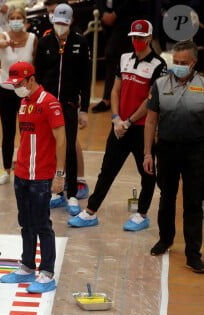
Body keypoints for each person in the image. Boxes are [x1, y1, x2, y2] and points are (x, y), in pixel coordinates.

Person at [68, 19, 166, 231]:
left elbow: (150, 99)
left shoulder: (159, 65)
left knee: (147, 173)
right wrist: (115, 119)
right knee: (107, 170)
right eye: (134, 37)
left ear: (149, 38)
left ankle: (142, 215)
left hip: (142, 128)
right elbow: (114, 91)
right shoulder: (124, 59)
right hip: (120, 126)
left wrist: (129, 121)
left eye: (141, 37)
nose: (137, 41)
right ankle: (91, 212)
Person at [0, 61, 66, 294]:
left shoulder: (49, 103)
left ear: (30, 79)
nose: (16, 88)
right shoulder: (23, 103)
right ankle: (27, 265)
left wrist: (60, 174)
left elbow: (62, 138)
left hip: (42, 175)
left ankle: (46, 273)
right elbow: (26, 134)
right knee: (25, 222)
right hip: (22, 173)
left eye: (19, 83)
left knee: (42, 224)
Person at [144, 40, 204, 273]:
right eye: (175, 62)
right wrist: (147, 153)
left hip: (196, 151)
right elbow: (151, 120)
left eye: (183, 63)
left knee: (193, 202)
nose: (178, 66)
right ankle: (165, 239)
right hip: (167, 149)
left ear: (194, 63)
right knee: (166, 197)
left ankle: (193, 254)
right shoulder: (159, 84)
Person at [35, 3, 90, 215]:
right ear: (53, 20)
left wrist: (84, 108)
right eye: (57, 22)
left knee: (68, 147)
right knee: (49, 147)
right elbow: (38, 75)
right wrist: (36, 102)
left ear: (71, 22)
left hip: (68, 103)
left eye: (64, 24)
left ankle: (73, 193)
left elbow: (86, 78)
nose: (60, 27)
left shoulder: (80, 42)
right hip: (47, 103)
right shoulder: (45, 42)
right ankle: (55, 191)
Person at [0, 0, 37, 185]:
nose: (16, 21)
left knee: (27, 131)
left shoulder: (33, 39)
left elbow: (35, 62)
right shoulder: (2, 36)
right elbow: (0, 43)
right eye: (12, 18)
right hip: (6, 90)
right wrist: (8, 42)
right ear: (8, 20)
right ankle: (6, 170)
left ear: (25, 20)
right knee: (8, 131)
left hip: (25, 92)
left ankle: (27, 169)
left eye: (19, 18)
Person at [91, 0, 147, 113]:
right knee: (112, 58)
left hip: (128, 20)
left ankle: (119, 99)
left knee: (115, 54)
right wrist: (104, 13)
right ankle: (110, 98)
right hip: (108, 23)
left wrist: (115, 14)